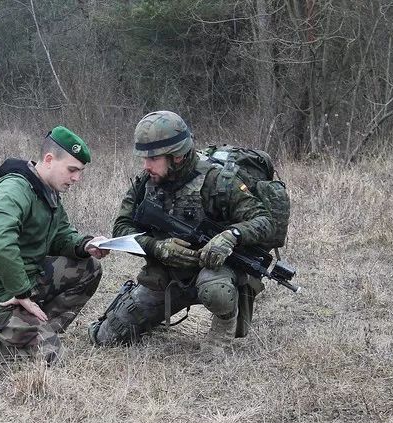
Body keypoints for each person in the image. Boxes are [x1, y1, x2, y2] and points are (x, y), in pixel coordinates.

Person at [87, 111, 275, 353]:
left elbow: (264, 220)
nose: (146, 165)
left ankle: (224, 324)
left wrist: (230, 236)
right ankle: (152, 315)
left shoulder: (219, 181)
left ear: (177, 156)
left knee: (215, 289)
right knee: (107, 338)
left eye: (153, 158)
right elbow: (122, 227)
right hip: (168, 275)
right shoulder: (146, 182)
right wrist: (158, 248)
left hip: (213, 272)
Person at [0, 126, 109, 363]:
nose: (77, 178)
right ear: (49, 160)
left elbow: (60, 235)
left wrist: (85, 244)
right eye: (72, 170)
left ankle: (27, 326)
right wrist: (21, 292)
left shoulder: (48, 191)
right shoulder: (14, 189)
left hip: (24, 278)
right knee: (50, 358)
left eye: (80, 172)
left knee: (89, 267)